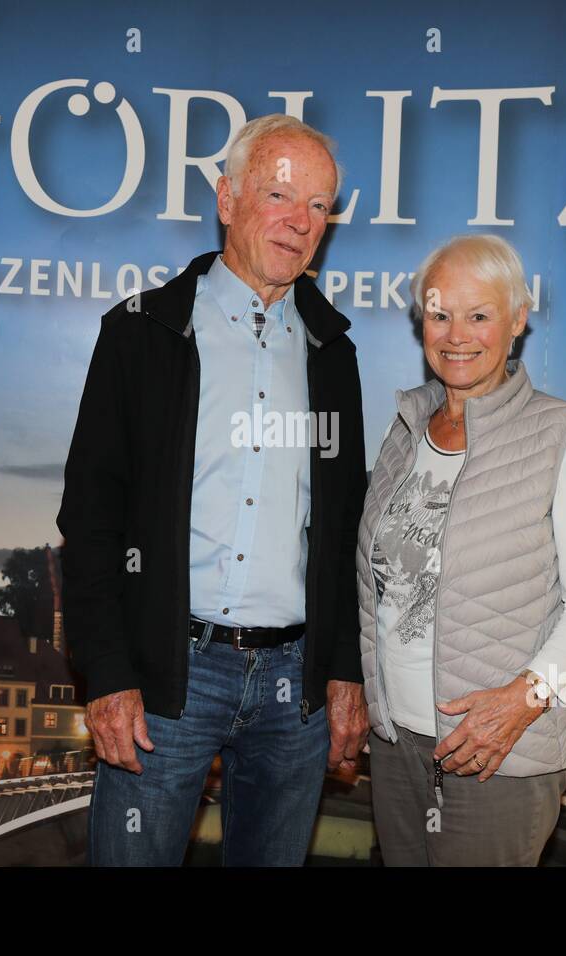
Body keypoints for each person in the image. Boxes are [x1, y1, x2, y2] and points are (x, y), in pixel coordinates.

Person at [57, 115, 369, 866]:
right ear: (227, 199)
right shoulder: (140, 335)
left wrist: (345, 670)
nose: (300, 222)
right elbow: (90, 520)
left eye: (320, 206)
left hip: (294, 695)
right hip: (168, 681)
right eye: (280, 195)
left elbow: (345, 532)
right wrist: (106, 676)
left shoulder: (333, 354)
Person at [356, 234, 566, 866]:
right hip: (397, 745)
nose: (456, 334)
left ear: (518, 321)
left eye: (479, 315)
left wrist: (521, 703)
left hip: (498, 752)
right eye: (441, 313)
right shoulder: (404, 431)